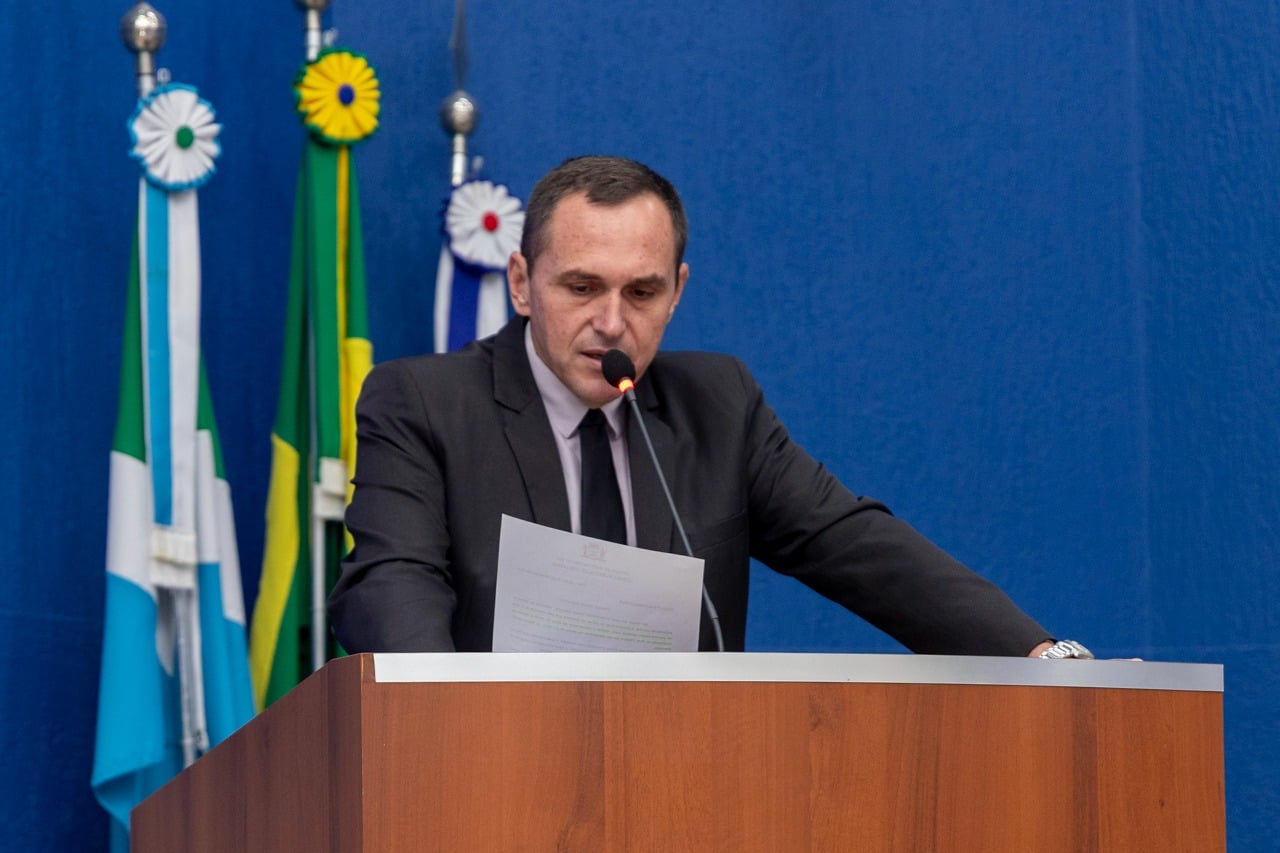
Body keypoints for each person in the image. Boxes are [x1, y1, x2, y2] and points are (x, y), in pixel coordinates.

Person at [330, 155, 1080, 659]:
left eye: (643, 292)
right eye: (582, 287)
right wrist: (440, 718)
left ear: (677, 291)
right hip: (484, 781)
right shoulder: (425, 404)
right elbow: (391, 586)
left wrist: (1036, 654)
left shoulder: (717, 405)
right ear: (523, 284)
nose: (613, 322)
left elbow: (853, 545)